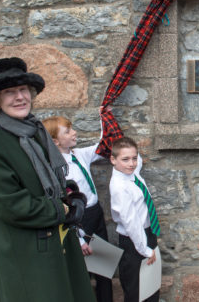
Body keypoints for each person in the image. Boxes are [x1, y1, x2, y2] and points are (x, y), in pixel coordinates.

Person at [0, 57, 96, 302]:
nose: (20, 97)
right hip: (28, 255)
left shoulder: (34, 131)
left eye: (23, 90)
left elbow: (52, 180)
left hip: (59, 245)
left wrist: (71, 194)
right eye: (9, 92)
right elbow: (11, 205)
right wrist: (61, 209)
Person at [43, 114, 113, 302]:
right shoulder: (55, 170)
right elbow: (64, 205)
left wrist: (105, 114)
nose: (74, 132)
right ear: (55, 141)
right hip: (78, 220)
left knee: (105, 268)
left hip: (95, 214)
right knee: (83, 273)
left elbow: (106, 143)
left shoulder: (79, 154)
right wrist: (80, 239)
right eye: (68, 131)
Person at [109, 137, 160, 302]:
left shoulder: (132, 174)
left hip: (147, 233)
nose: (131, 163)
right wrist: (145, 250)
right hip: (134, 241)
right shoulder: (119, 186)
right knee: (136, 291)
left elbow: (135, 162)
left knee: (151, 287)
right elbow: (131, 223)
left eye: (134, 158)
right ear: (113, 160)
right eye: (125, 159)